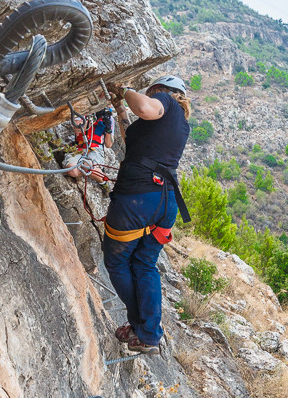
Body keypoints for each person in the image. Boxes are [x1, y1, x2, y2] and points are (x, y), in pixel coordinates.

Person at [102, 75, 192, 354]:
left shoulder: (166, 101)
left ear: (160, 90)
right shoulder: (180, 124)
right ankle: (148, 333)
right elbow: (131, 136)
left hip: (138, 198)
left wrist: (125, 90)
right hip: (165, 202)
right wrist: (119, 107)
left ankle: (142, 326)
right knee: (144, 263)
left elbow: (143, 108)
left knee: (117, 261)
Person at [65, 107, 114, 183]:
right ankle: (91, 172)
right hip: (79, 146)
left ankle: (103, 181)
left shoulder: (109, 118)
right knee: (72, 170)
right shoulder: (81, 112)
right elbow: (77, 130)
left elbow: (109, 144)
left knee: (89, 167)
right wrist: (90, 120)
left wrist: (108, 130)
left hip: (96, 148)